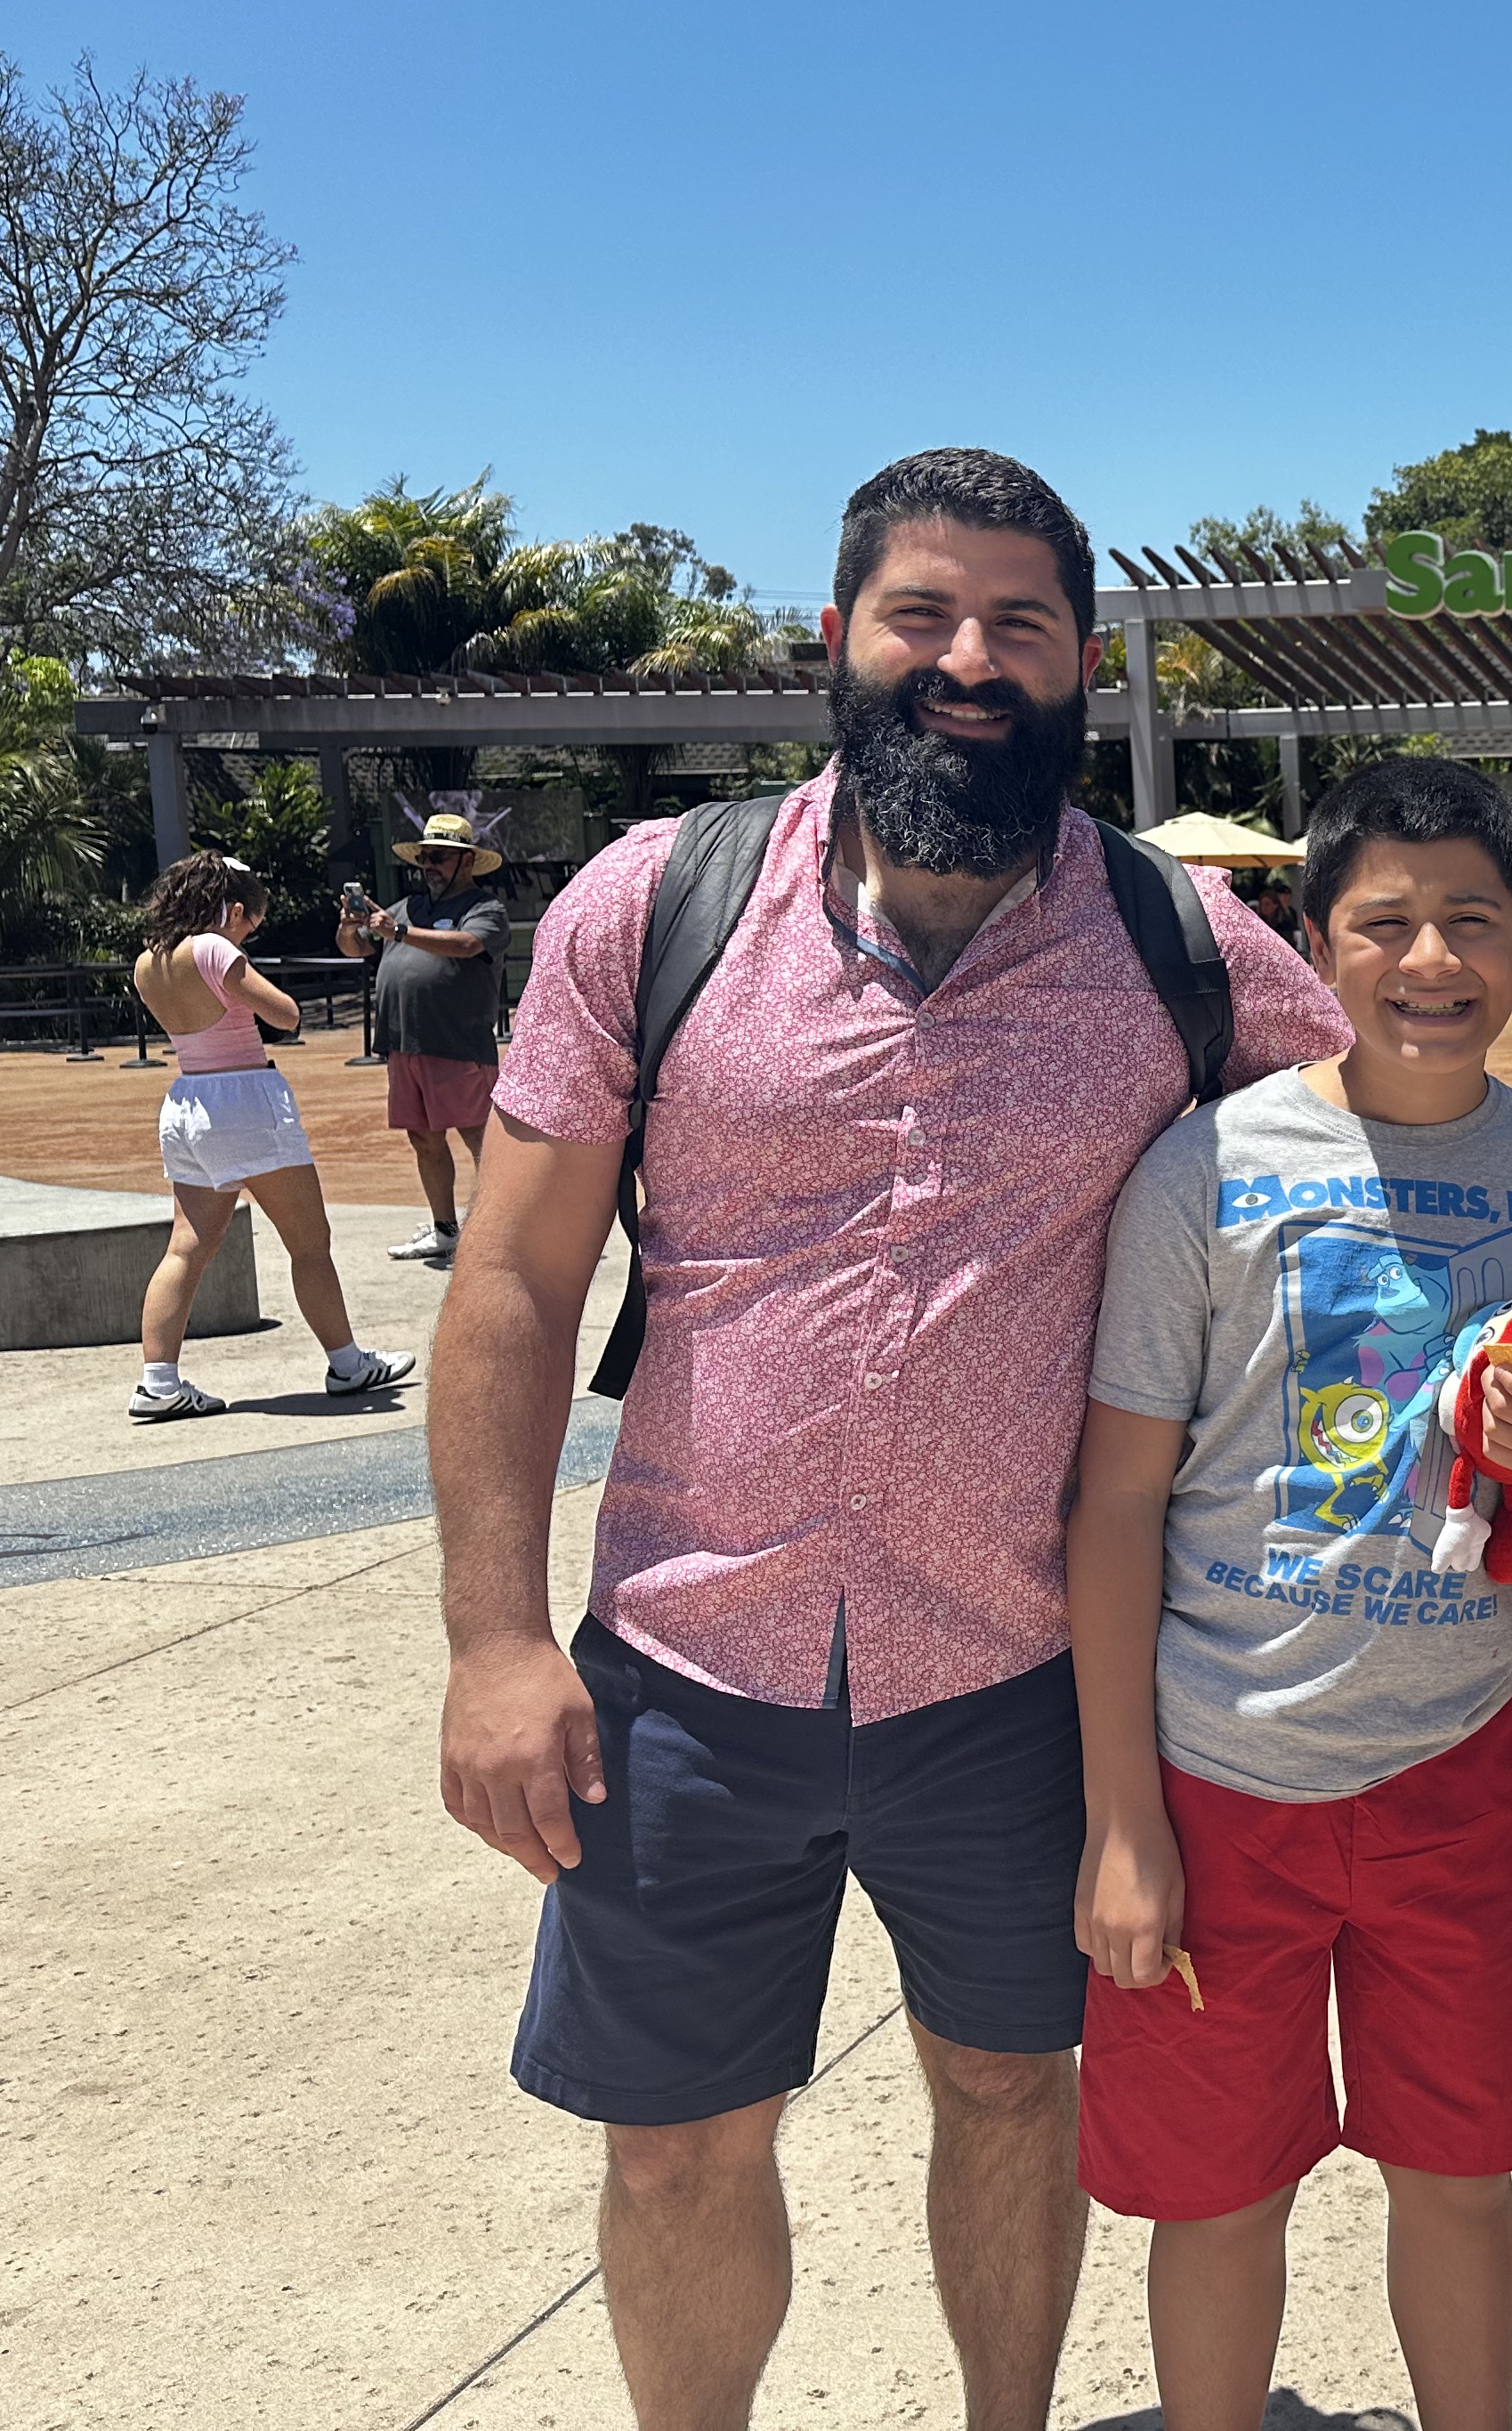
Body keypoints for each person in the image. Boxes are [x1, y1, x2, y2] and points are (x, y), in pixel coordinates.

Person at [427, 448, 1349, 2431]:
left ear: (1081, 662)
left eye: (1021, 624)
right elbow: (510, 1278)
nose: (970, 661)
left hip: (1018, 1670)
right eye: (922, 613)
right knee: (674, 2144)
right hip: (688, 1658)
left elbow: (1388, 1148)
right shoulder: (654, 907)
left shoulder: (1183, 943)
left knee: (1011, 2087)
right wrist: (494, 1638)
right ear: (837, 637)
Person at [1071, 754, 1512, 2431]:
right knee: (1216, 2189)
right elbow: (1118, 1500)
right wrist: (1123, 1819)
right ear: (1316, 942)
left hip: (1465, 1756)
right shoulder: (1206, 1168)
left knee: (1458, 2171)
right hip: (1217, 1765)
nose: (1430, 959)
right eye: (1385, 921)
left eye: (1473, 918)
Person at [125, 854, 416, 1421]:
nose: (247, 934)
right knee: (309, 1243)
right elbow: (286, 1015)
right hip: (245, 1105)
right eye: (249, 924)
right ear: (233, 911)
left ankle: (158, 1381)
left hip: (186, 1105)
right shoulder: (215, 949)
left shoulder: (148, 961)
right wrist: (239, 965)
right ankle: (347, 1363)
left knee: (186, 1247)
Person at [339, 805, 513, 1263]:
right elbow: (356, 949)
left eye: (439, 857)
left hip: (457, 1044)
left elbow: (468, 945)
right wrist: (350, 928)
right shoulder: (405, 908)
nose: (428, 866)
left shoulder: (485, 908)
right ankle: (445, 1229)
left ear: (467, 861)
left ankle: (506, 1230)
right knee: (423, 1138)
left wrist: (400, 932)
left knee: (481, 1139)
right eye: (424, 857)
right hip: (404, 1044)